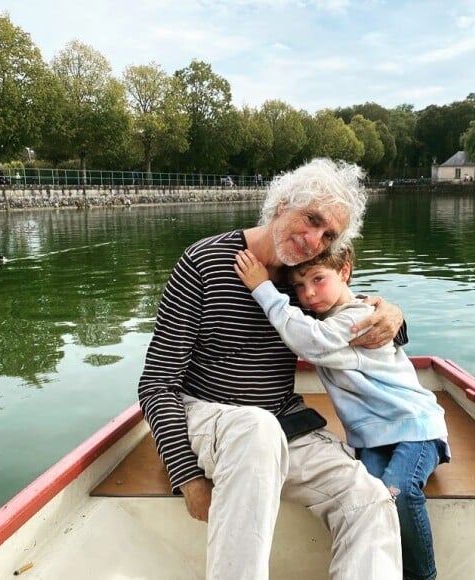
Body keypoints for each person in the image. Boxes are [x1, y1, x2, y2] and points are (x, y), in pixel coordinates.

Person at [138, 158, 406, 580]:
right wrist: (187, 477)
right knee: (256, 429)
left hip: (284, 427)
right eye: (312, 219)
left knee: (370, 499)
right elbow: (156, 383)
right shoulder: (202, 263)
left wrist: (394, 317)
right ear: (282, 203)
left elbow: (348, 319)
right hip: (211, 420)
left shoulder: (304, 283)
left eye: (329, 235)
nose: (315, 240)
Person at [234, 243, 450, 580]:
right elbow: (300, 325)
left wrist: (262, 288)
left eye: (318, 280)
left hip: (415, 430)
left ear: (345, 271)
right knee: (372, 495)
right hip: (372, 438)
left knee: (399, 491)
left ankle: (424, 576)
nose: (308, 294)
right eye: (299, 287)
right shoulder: (325, 316)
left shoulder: (358, 318)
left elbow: (310, 341)